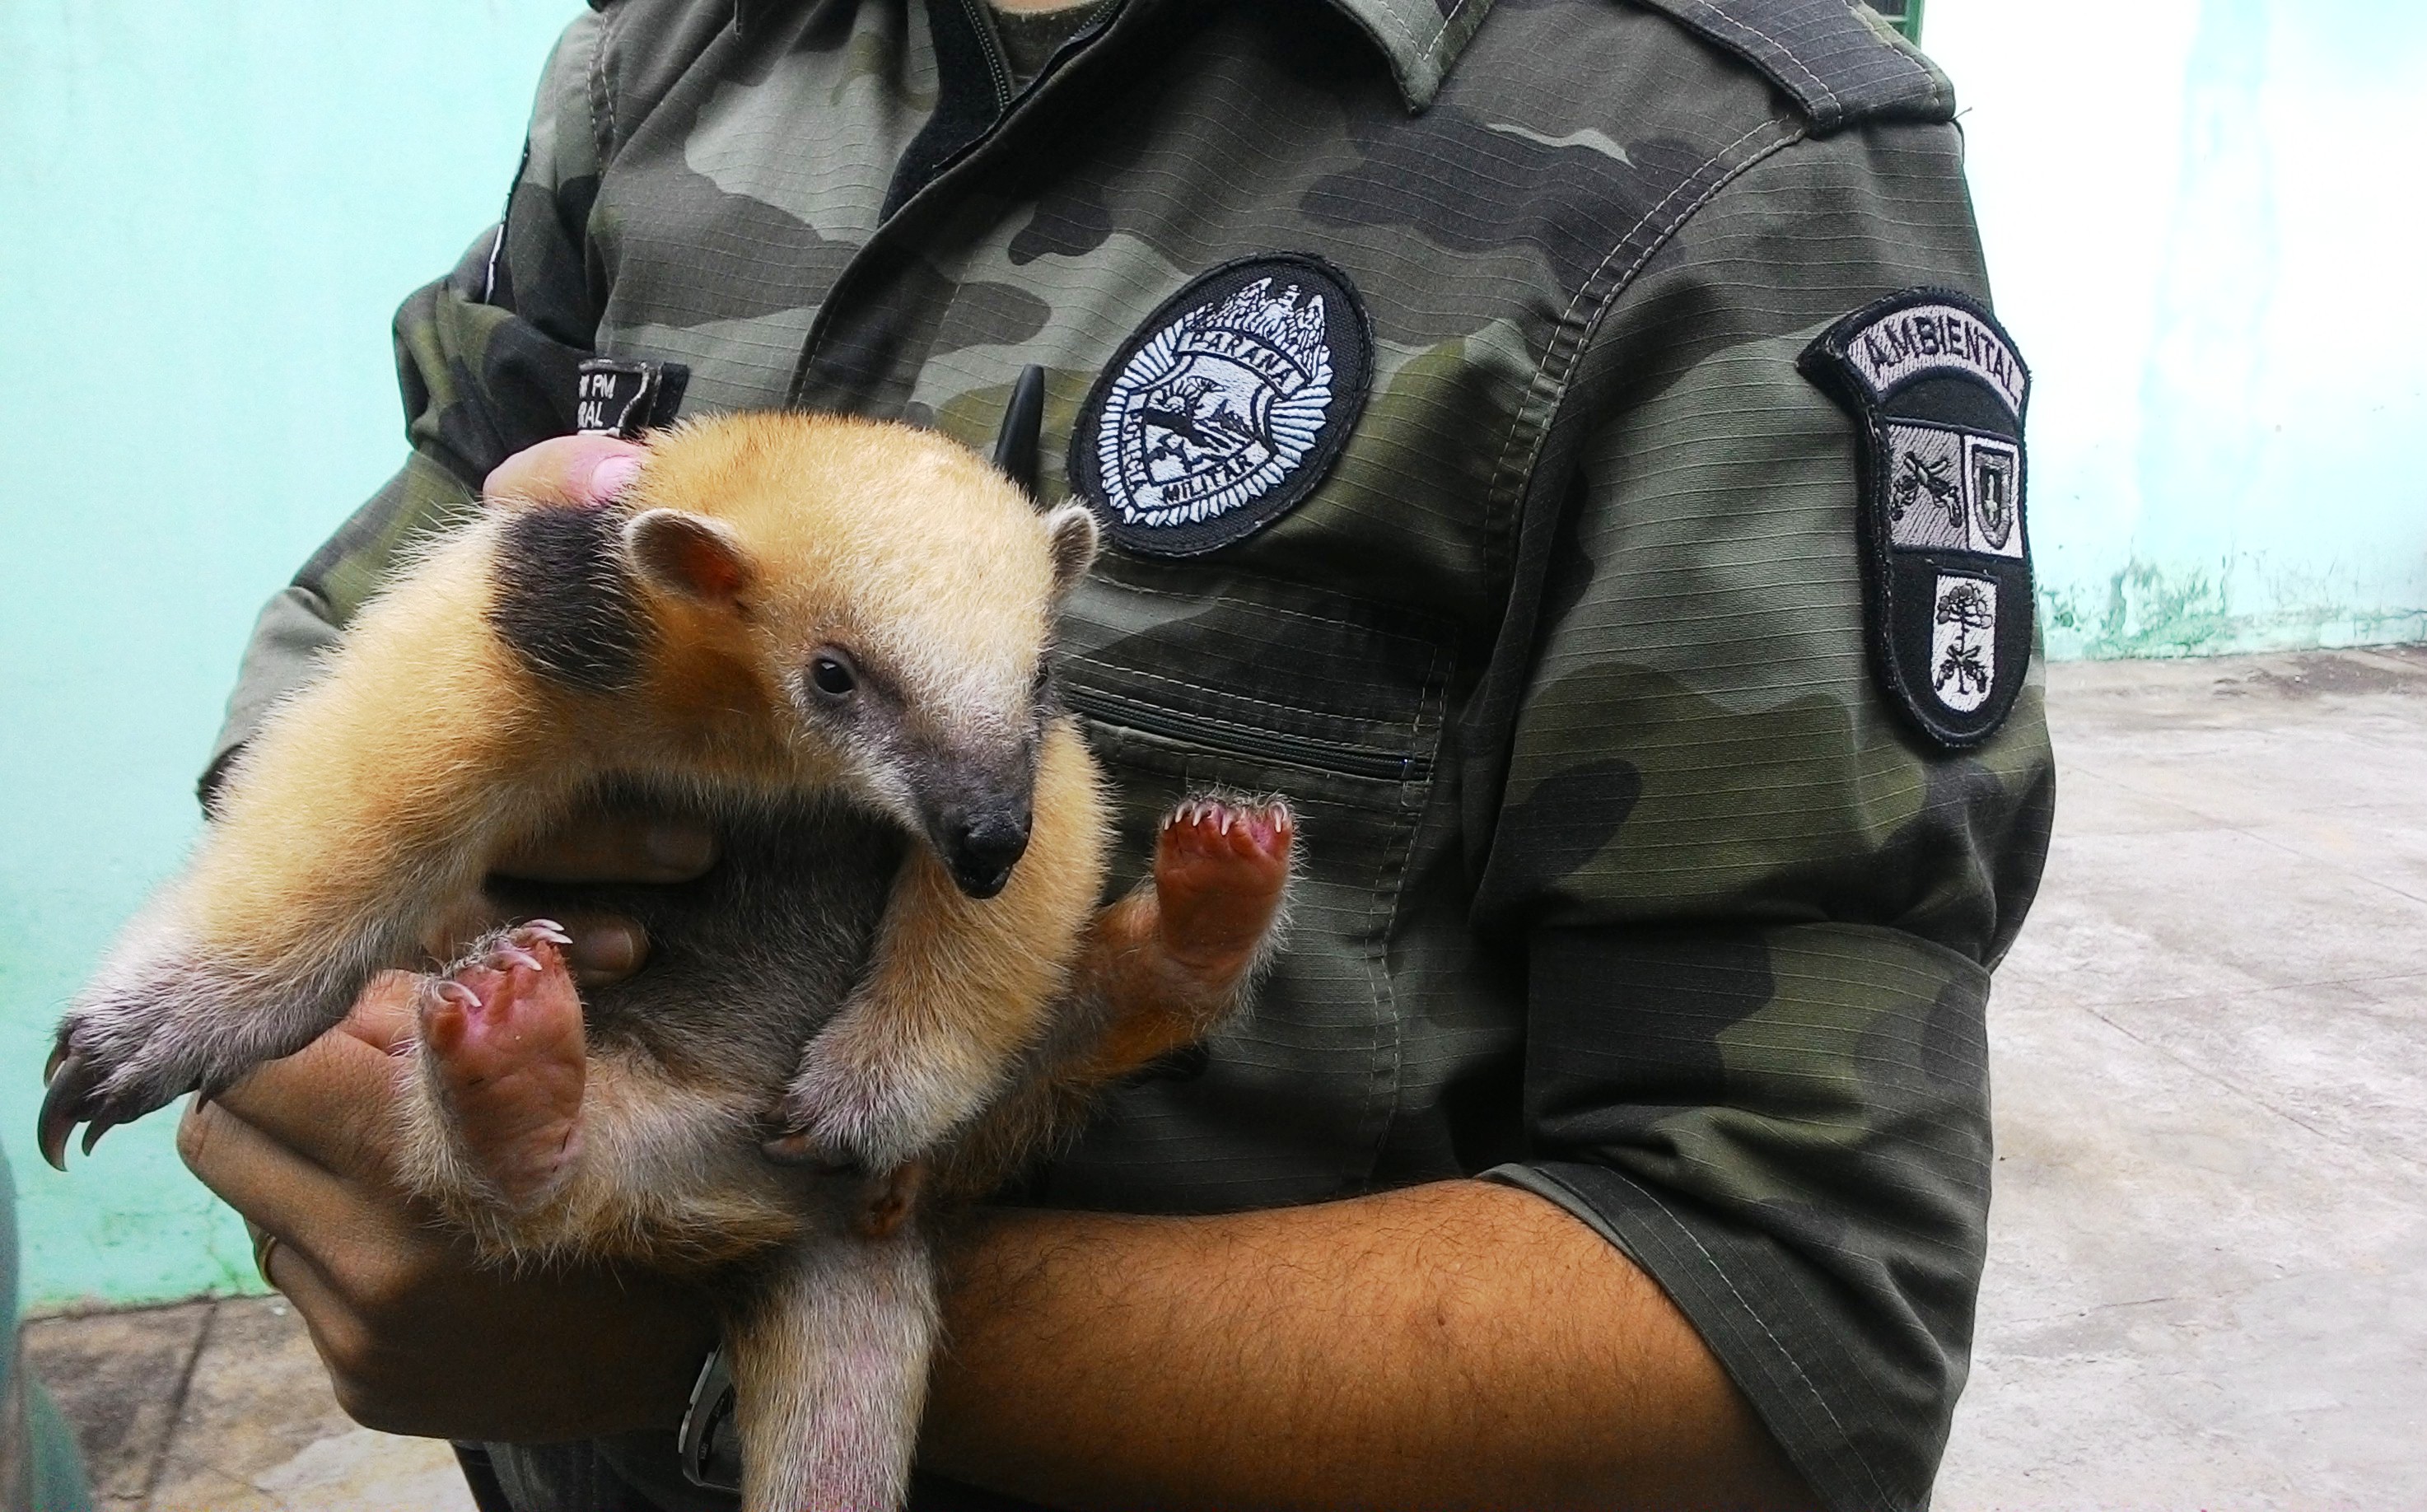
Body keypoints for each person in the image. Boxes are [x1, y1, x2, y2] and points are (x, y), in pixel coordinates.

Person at [174, 0, 2055, 1508]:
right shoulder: (667, 65)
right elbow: (361, 625)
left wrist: (679, 1314)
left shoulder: (1724, 165)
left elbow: (1794, 1347)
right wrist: (378, 901)